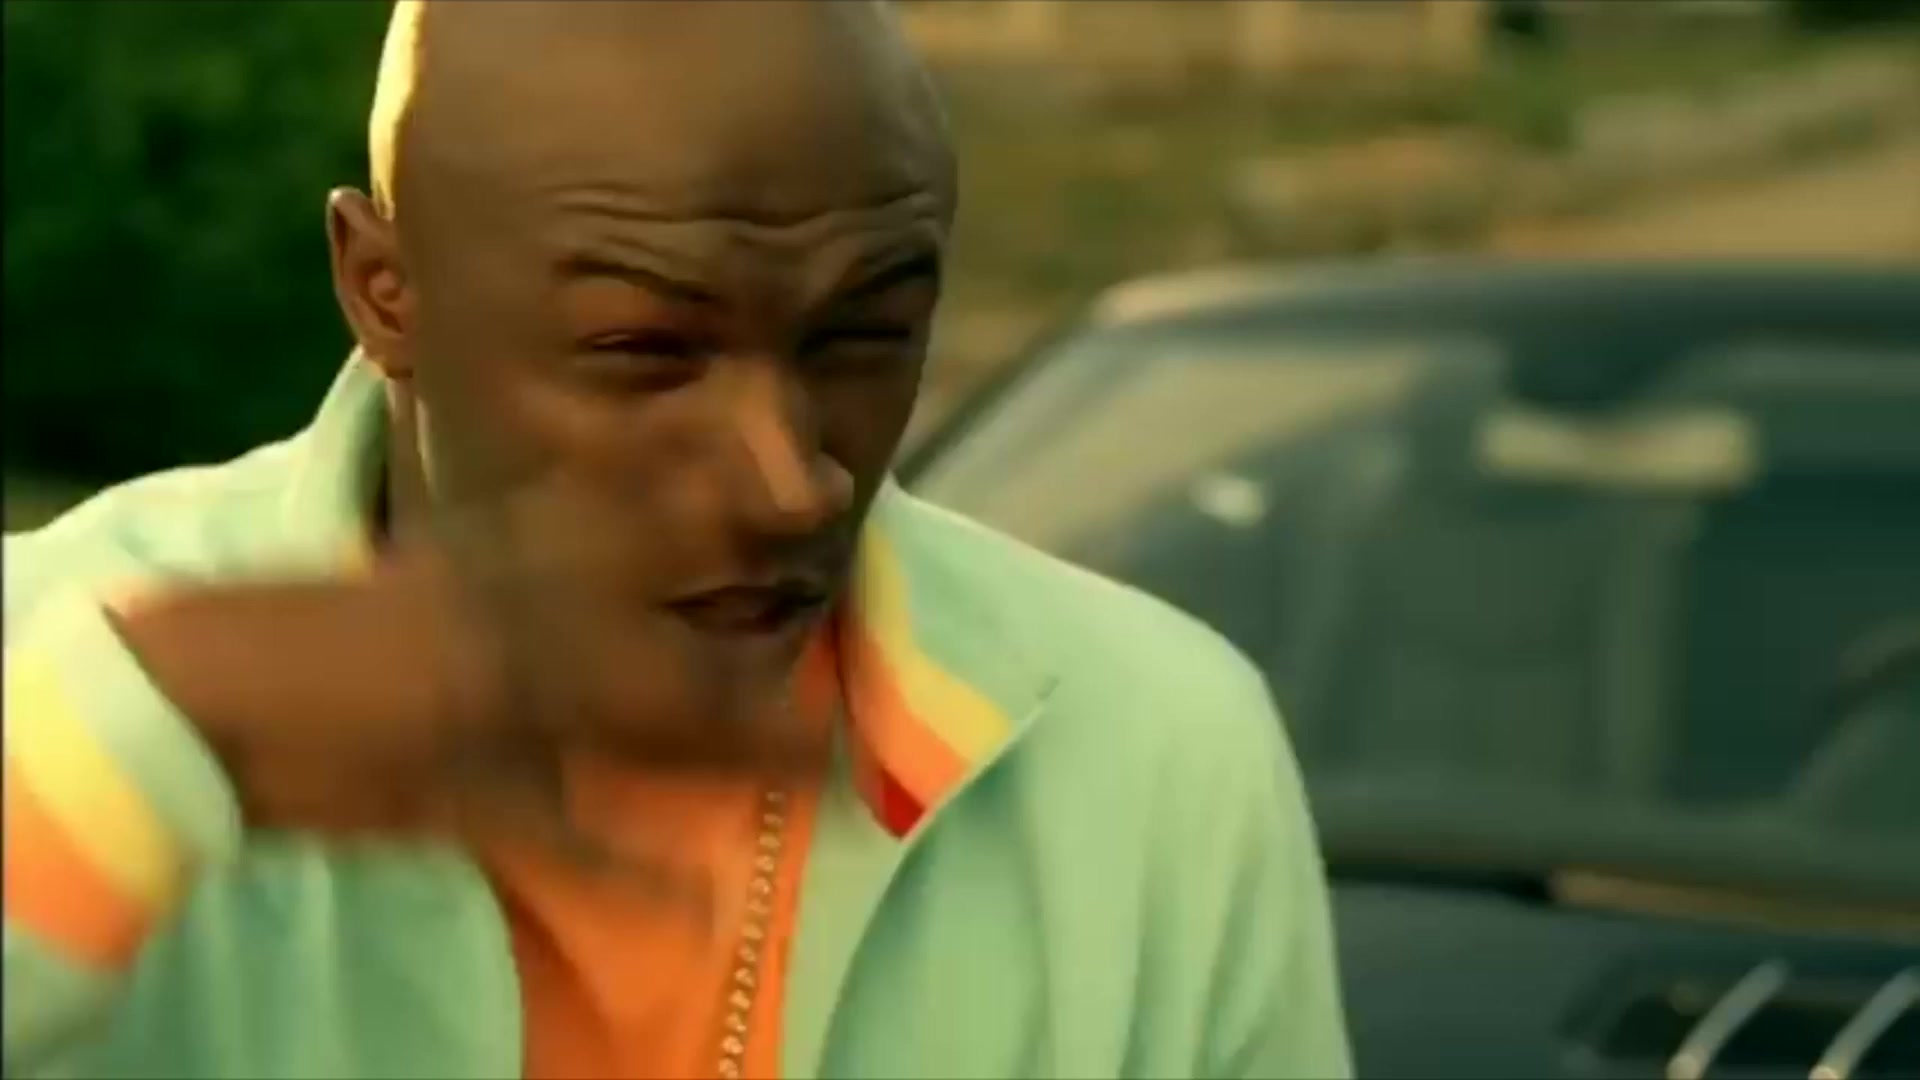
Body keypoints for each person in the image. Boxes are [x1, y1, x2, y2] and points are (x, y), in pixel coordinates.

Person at [3, 3, 1351, 1077]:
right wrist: (109, 783)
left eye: (866, 337)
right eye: (644, 349)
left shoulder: (1156, 762)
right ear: (385, 290)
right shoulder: (49, 677)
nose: (790, 484)